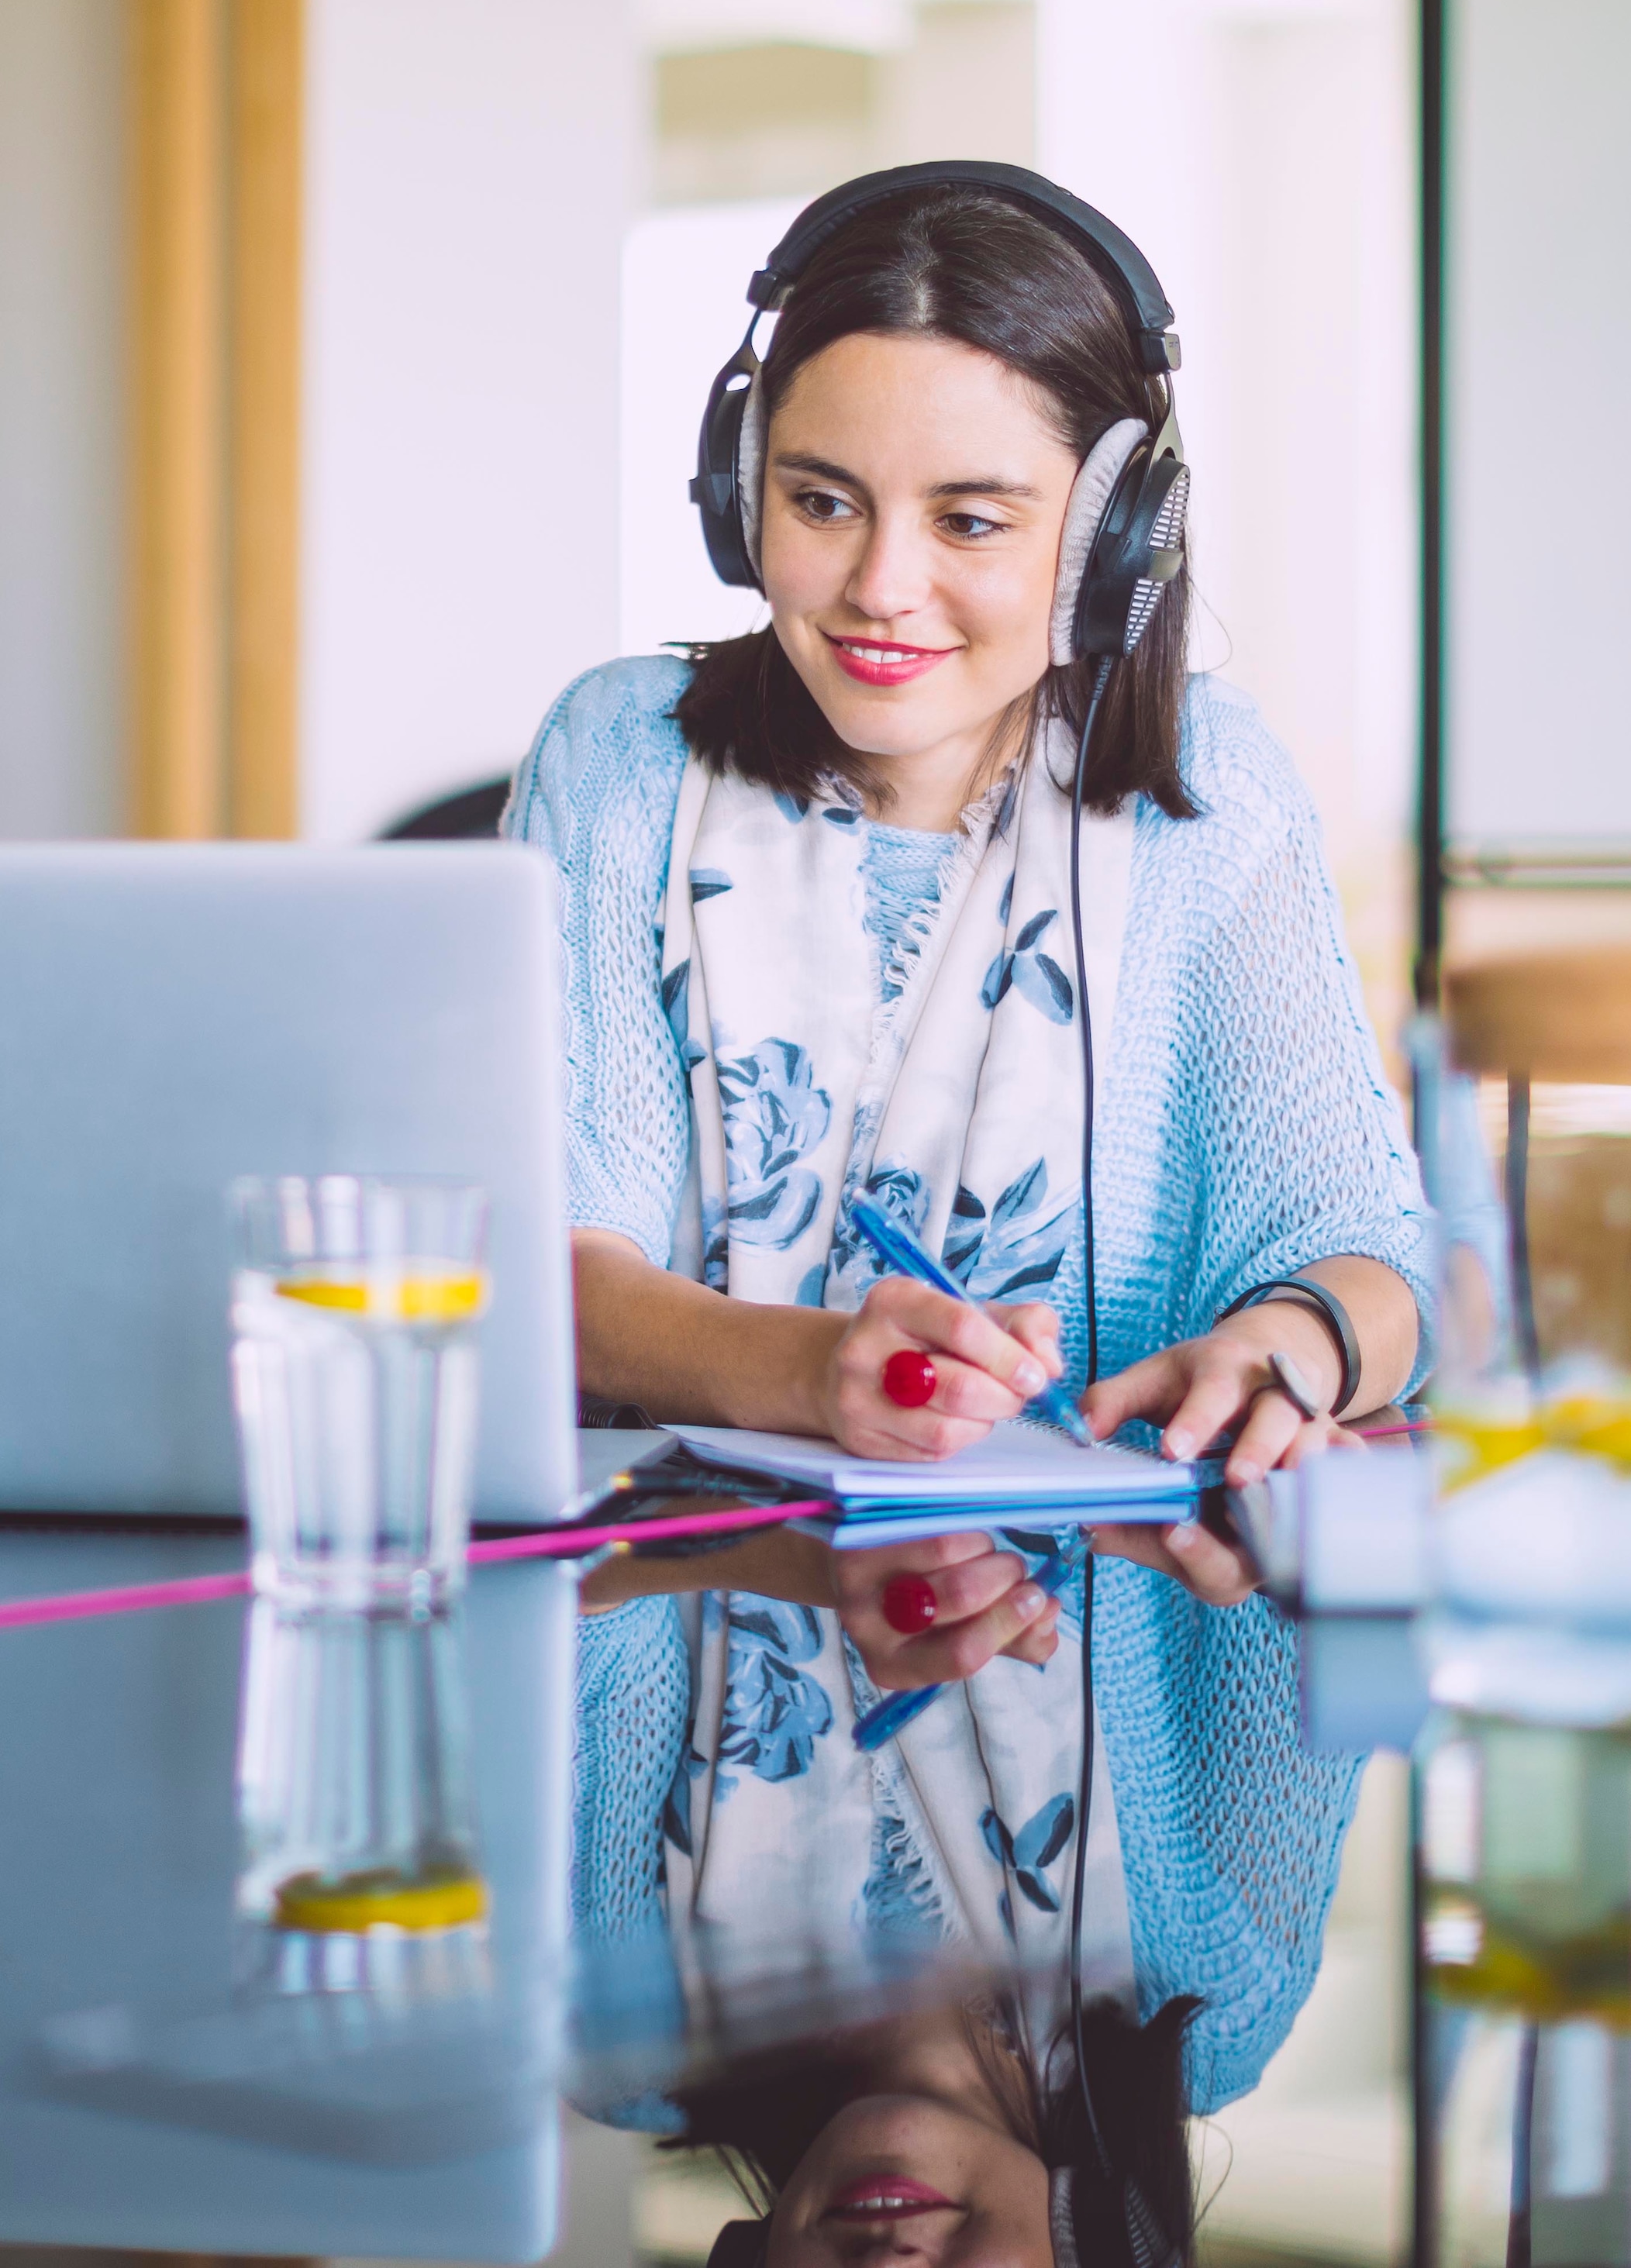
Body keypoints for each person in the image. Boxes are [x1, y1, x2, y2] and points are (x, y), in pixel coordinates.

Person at [523, 167, 1429, 2138]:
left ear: (1110, 542)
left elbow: (1365, 1253)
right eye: (821, 495)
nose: (876, 585)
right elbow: (535, 1265)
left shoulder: (1212, 796)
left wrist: (1283, 1350)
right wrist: (806, 1372)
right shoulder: (615, 758)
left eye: (972, 518)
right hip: (693, 1584)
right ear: (733, 484)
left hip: (1126, 1595)